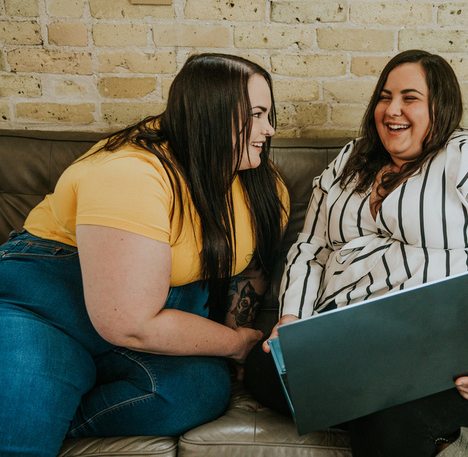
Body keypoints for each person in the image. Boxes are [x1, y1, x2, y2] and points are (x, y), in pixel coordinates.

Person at [247, 50, 468, 456]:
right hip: (362, 340)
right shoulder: (348, 162)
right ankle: (446, 443)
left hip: (467, 347)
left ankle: (416, 429)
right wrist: (291, 320)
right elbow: (311, 248)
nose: (392, 110)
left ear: (440, 107)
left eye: (410, 98)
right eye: (385, 96)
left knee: (389, 420)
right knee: (263, 367)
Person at [0, 53, 288, 456]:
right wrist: (234, 343)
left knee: (199, 390)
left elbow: (251, 266)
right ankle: (42, 400)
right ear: (212, 115)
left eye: (268, 113)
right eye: (257, 114)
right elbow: (130, 322)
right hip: (50, 303)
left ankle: (60, 407)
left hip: (151, 311)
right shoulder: (130, 173)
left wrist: (236, 334)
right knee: (19, 440)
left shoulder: (262, 183)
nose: (269, 129)